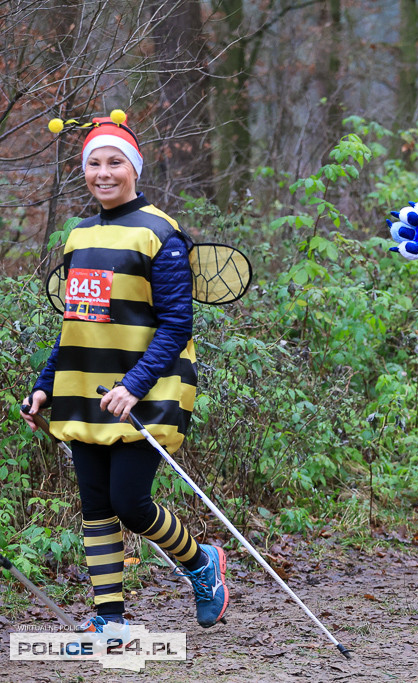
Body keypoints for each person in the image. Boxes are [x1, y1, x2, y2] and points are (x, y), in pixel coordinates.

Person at [21, 111, 228, 639]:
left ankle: (201, 562)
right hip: (84, 388)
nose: (104, 173)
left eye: (115, 162)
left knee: (130, 503)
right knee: (95, 506)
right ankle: (109, 619)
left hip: (150, 388)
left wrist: (133, 386)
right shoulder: (78, 235)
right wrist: (45, 385)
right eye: (94, 164)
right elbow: (75, 324)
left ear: (135, 168)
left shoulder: (161, 233)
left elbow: (177, 325)